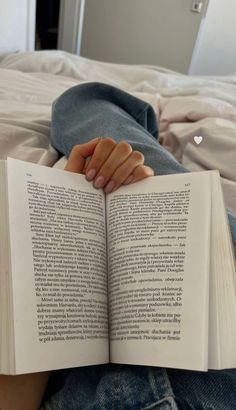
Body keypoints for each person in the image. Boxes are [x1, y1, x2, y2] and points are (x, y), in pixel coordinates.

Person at [1, 82, 235, 409]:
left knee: (87, 119)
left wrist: (70, 214)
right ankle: (142, 129)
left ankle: (139, 132)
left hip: (87, 384)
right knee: (85, 107)